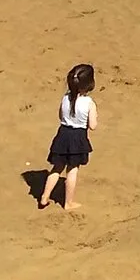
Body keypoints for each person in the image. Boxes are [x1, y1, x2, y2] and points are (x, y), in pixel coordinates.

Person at [38, 64, 99, 211]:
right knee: (72, 170)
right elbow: (93, 126)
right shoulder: (89, 103)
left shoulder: (65, 98)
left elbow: (61, 116)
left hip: (63, 134)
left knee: (56, 168)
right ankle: (68, 202)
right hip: (77, 138)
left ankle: (44, 197)